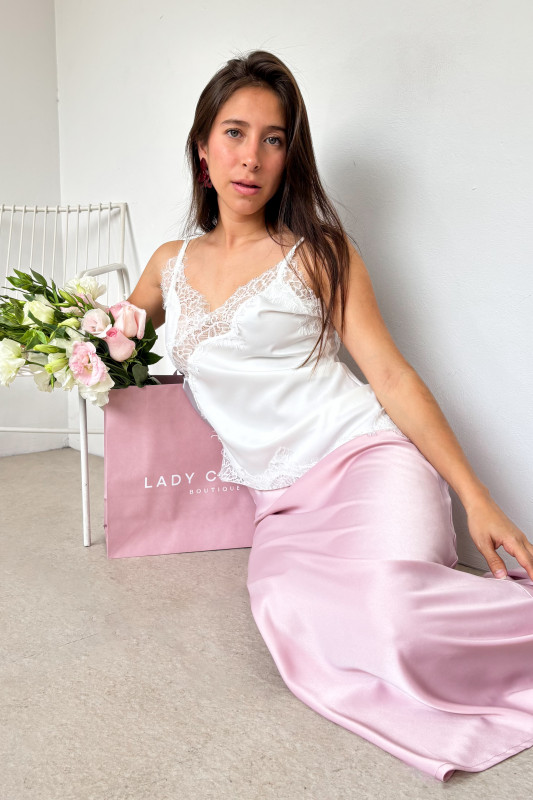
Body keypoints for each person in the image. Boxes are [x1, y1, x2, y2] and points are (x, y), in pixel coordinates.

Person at [127, 50, 533, 782]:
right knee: (285, 608)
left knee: (392, 615)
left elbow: (391, 377)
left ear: (289, 158)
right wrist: (67, 342)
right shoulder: (167, 263)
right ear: (202, 148)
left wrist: (476, 499)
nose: (251, 157)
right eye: (234, 133)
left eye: (273, 139)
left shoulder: (318, 253)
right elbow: (110, 343)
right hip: (282, 505)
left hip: (367, 464)